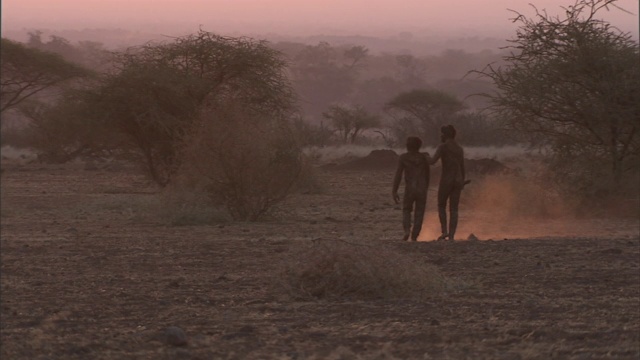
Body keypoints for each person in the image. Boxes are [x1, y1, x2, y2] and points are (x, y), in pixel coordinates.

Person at [428, 125, 466, 241]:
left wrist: (425, 156)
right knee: (454, 209)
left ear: (445, 135)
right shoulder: (459, 148)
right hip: (458, 179)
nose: (441, 136)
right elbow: (462, 167)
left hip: (446, 179)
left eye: (442, 134)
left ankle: (444, 231)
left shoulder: (443, 147)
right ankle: (452, 235)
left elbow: (432, 161)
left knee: (441, 205)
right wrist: (462, 181)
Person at [392, 136, 430, 241]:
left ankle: (407, 230)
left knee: (406, 210)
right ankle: (415, 235)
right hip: (422, 188)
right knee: (420, 212)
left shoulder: (403, 157)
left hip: (410, 189)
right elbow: (428, 175)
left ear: (407, 146)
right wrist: (426, 187)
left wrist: (394, 190)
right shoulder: (424, 157)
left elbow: (398, 175)